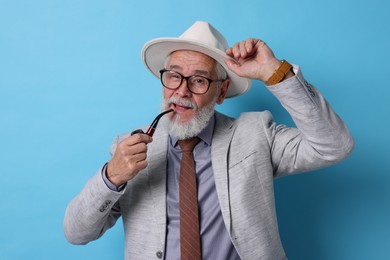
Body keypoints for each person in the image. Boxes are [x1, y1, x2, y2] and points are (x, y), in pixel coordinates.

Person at [63, 21, 354, 259]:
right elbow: (77, 233)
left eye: (199, 80)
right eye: (173, 76)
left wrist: (274, 73)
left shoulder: (256, 134)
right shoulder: (128, 149)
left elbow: (335, 146)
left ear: (222, 92)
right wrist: (112, 177)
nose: (182, 91)